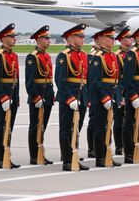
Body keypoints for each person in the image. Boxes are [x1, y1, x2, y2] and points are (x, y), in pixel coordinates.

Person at [55, 23, 89, 171]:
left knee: (76, 128)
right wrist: (70, 99)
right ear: (70, 38)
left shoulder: (83, 55)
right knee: (66, 129)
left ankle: (74, 154)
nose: (83, 39)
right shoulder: (64, 56)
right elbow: (60, 80)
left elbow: (85, 80)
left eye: (83, 36)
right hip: (69, 98)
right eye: (80, 36)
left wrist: (85, 99)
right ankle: (67, 160)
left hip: (81, 97)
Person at [88, 26, 122, 167]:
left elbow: (116, 80)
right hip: (100, 98)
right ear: (101, 39)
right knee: (100, 127)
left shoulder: (113, 56)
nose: (113, 41)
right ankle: (100, 156)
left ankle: (108, 153)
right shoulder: (98, 58)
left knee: (108, 126)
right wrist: (104, 98)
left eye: (114, 38)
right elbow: (95, 81)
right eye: (110, 38)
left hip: (111, 96)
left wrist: (117, 97)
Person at [0, 23, 20, 169]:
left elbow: (16, 79)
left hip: (12, 96)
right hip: (1, 97)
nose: (14, 39)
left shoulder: (13, 56)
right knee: (1, 127)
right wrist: (3, 98)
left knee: (9, 128)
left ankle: (6, 155)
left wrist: (17, 97)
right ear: (3, 38)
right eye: (11, 36)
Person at [26, 25, 54, 165]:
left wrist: (51, 94)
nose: (49, 40)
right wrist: (35, 96)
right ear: (38, 39)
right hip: (38, 95)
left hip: (47, 94)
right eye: (46, 38)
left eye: (49, 38)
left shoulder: (46, 56)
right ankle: (34, 154)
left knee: (43, 126)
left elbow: (49, 78)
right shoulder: (33, 57)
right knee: (35, 125)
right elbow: (29, 81)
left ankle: (40, 151)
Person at [121, 23, 139, 164]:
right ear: (138, 38)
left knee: (137, 123)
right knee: (129, 123)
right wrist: (132, 95)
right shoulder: (132, 54)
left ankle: (135, 150)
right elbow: (127, 78)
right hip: (134, 93)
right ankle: (129, 153)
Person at [113, 26, 133, 155]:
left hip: (130, 89)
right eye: (128, 38)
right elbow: (118, 77)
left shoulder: (131, 54)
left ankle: (128, 144)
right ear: (121, 40)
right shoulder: (118, 56)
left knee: (130, 120)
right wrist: (121, 95)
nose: (131, 40)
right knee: (119, 119)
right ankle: (119, 145)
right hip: (121, 90)